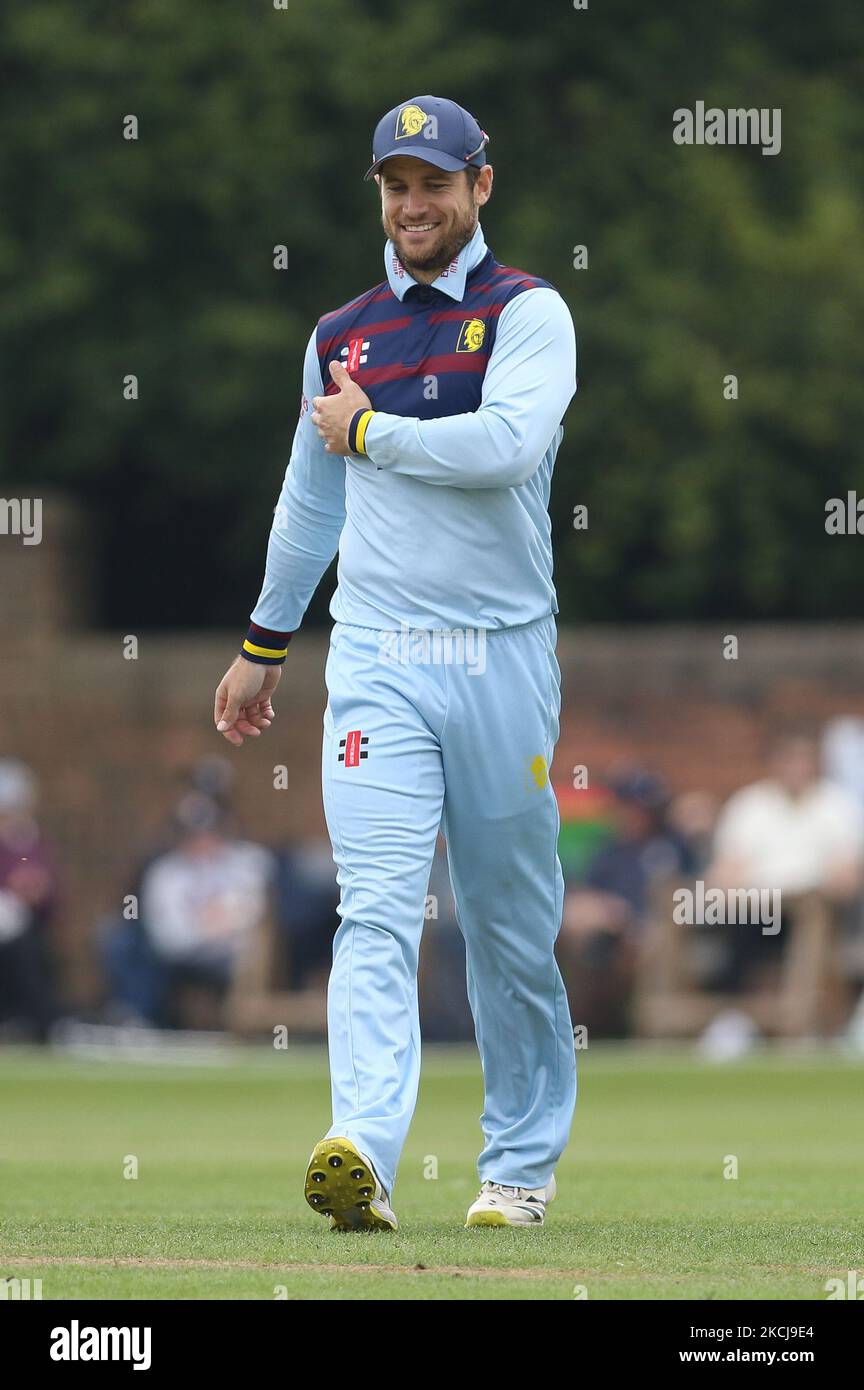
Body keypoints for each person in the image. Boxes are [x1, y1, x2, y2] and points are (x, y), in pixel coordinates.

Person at [214, 95, 578, 1230]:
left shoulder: (530, 314)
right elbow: (306, 505)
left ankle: (517, 1171)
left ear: (480, 187)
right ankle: (359, 1148)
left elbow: (504, 447)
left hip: (502, 653)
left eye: (434, 182)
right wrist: (265, 642)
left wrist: (372, 430)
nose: (413, 205)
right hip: (375, 653)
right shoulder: (339, 335)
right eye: (394, 184)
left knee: (510, 927)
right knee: (373, 910)